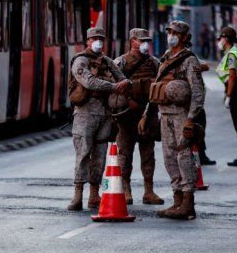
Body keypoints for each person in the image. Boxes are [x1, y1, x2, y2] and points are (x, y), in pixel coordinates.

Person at [146, 20, 205, 220]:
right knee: (169, 157)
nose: (171, 35)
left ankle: (188, 203)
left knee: (183, 156)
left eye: (176, 33)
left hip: (181, 115)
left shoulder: (189, 60)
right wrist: (147, 114)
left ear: (185, 37)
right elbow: (158, 85)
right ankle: (177, 200)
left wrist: (191, 119)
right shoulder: (165, 57)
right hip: (164, 114)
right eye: (170, 31)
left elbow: (198, 91)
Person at [67, 27, 131, 211]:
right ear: (87, 41)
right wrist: (114, 87)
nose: (98, 42)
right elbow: (89, 82)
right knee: (83, 154)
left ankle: (94, 195)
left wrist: (126, 84)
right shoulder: (80, 60)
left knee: (100, 156)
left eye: (101, 38)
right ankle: (78, 194)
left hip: (105, 114)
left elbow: (123, 80)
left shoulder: (107, 61)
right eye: (94, 38)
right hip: (85, 114)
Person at [113, 28, 164, 205]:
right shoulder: (120, 62)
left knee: (148, 153)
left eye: (146, 41)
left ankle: (149, 191)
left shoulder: (154, 63)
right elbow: (113, 88)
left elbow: (160, 84)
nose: (145, 44)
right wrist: (128, 101)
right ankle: (126, 190)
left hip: (148, 113)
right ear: (132, 42)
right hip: (127, 115)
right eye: (141, 41)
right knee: (125, 154)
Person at [216, 26, 237, 167]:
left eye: (220, 38)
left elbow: (232, 76)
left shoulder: (231, 55)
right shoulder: (234, 52)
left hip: (236, 91)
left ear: (226, 39)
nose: (219, 41)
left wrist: (229, 95)